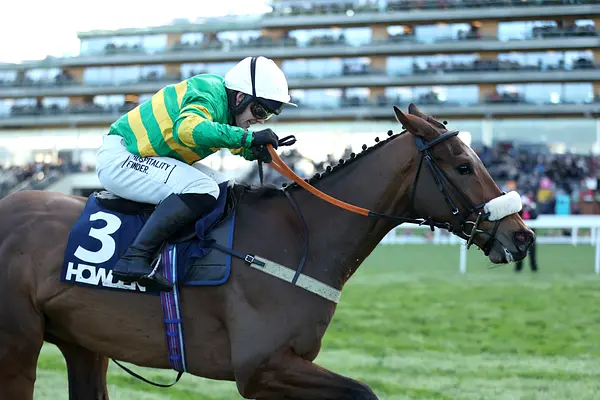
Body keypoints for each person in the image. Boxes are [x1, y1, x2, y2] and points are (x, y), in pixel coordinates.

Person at [95, 56, 297, 291]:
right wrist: (248, 138)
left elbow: (226, 138)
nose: (260, 120)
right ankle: (134, 257)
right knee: (203, 188)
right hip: (122, 156)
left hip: (146, 156)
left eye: (268, 115)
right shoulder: (207, 90)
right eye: (260, 110)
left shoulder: (226, 105)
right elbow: (187, 129)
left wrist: (253, 150)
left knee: (225, 186)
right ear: (240, 97)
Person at [515, 191, 538, 272]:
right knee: (519, 251)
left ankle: (533, 267)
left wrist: (529, 209)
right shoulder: (519, 212)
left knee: (532, 252)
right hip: (521, 235)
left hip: (530, 235)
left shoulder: (531, 211)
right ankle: (518, 268)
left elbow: (535, 216)